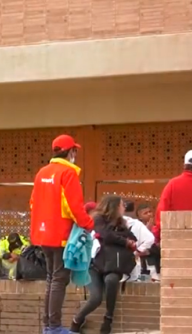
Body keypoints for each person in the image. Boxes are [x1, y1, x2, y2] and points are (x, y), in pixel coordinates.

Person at [29, 134, 94, 334]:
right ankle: (54, 327)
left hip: (42, 235)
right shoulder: (68, 173)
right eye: (75, 150)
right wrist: (89, 224)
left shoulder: (42, 173)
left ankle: (48, 325)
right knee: (59, 279)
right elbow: (74, 206)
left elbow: (32, 203)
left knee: (51, 278)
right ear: (70, 151)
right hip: (62, 234)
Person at [71, 196, 137, 334]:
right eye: (122, 205)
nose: (124, 207)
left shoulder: (122, 223)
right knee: (96, 297)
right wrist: (124, 242)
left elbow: (132, 238)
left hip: (113, 264)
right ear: (114, 206)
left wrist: (126, 241)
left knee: (111, 280)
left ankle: (108, 318)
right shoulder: (97, 219)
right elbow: (105, 234)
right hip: (94, 264)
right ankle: (77, 320)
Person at [152, 150, 192, 244]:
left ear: (184, 166)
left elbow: (162, 212)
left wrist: (157, 236)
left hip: (177, 241)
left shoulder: (173, 184)